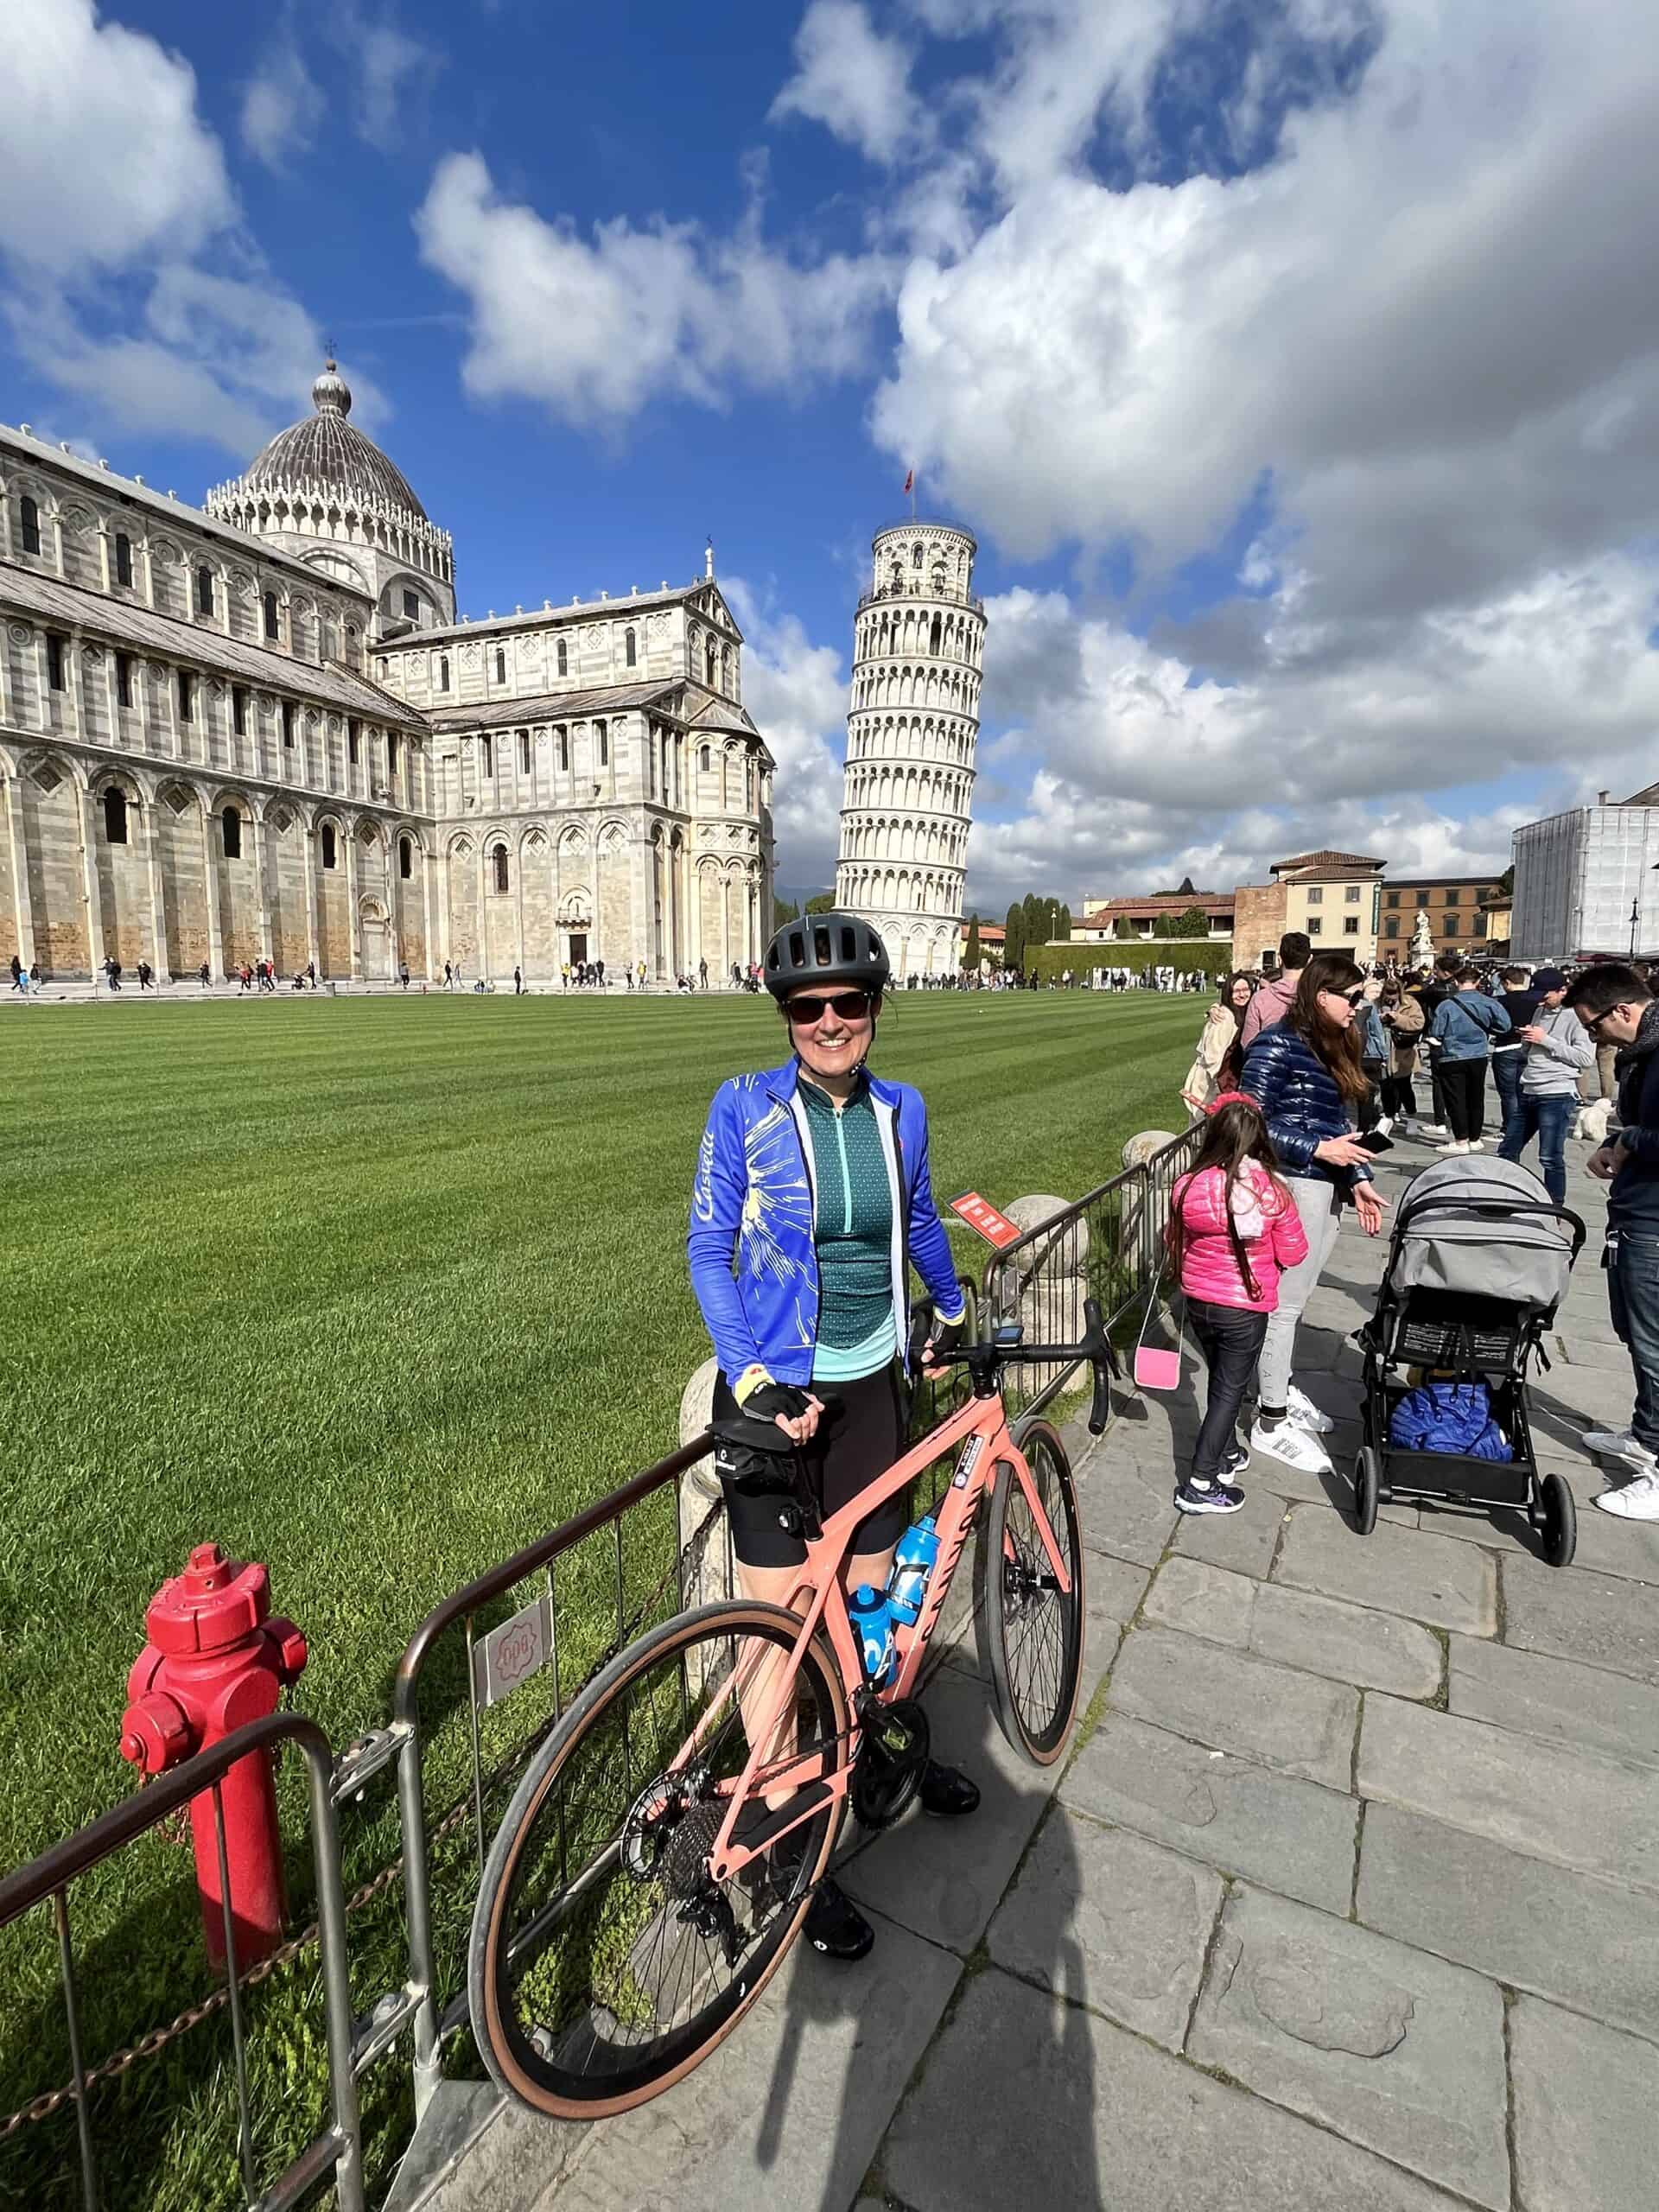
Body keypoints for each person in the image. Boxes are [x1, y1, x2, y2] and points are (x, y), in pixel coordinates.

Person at [688, 911, 977, 1961]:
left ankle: (874, 1759)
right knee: (779, 1635)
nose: (827, 1022)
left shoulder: (901, 1109)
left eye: (847, 1003)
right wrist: (753, 1376)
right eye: (806, 1008)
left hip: (871, 1396)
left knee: (866, 1610)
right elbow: (709, 1246)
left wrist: (948, 1310)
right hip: (778, 1399)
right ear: (785, 1017)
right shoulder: (746, 1107)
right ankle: (789, 1861)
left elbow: (920, 1217)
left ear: (875, 1008)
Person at [1241, 951, 1389, 1475]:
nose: (1357, 1008)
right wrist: (1319, 1151)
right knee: (1282, 1305)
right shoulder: (1277, 1042)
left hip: (1321, 1183)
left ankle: (1277, 1388)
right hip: (1296, 1183)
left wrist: (1357, 1176)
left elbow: (1334, 1126)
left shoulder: (1327, 1046)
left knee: (1295, 1303)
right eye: (1351, 998)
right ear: (1320, 995)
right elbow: (1247, 1118)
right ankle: (1270, 1419)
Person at [1167, 1091, 1308, 1516]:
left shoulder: (1187, 1184)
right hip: (1245, 1304)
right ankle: (1201, 1480)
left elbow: (1173, 1239)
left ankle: (1227, 1452)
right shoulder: (1271, 1192)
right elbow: (1295, 1252)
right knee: (1230, 1389)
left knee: (1221, 1378)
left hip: (1199, 1299)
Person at [1564, 963, 1659, 1517]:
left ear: (1623, 1011)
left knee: (1654, 1345)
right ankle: (1647, 1434)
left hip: (1654, 1221)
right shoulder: (1644, 1053)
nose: (1594, 1037)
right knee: (1635, 1334)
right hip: (1637, 1211)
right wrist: (1621, 1141)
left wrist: (1632, 1141)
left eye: (1594, 1026)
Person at [1496, 969, 1590, 1204]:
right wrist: (1527, 1041)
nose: (1540, 1001)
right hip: (1529, 1089)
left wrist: (1545, 1040)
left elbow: (1585, 1058)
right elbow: (1534, 1049)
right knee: (1507, 1151)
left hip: (1557, 1093)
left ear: (1563, 990)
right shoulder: (1539, 1010)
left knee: (1549, 1156)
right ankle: (1505, 1196)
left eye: (1546, 996)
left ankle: (1555, 1204)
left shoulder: (1577, 1016)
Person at [1427, 968, 1510, 1154]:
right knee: (1476, 1097)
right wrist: (1488, 1030)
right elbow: (1505, 1026)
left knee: (1456, 1099)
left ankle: (1461, 1140)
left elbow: (1436, 1032)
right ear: (1478, 981)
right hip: (1479, 1055)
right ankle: (1475, 1138)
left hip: (1453, 1056)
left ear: (1456, 982)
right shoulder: (1489, 1003)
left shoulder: (1446, 1005)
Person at [1179, 973, 1253, 1117]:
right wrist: (1223, 1092)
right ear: (1228, 993)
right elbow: (1213, 1059)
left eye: (1246, 989)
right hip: (1211, 1086)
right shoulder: (1224, 1017)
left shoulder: (1241, 1012)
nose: (1242, 994)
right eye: (1237, 991)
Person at [1491, 966, 1538, 1153]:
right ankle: (1524, 1130)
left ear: (1507, 983)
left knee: (1508, 1094)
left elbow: (1495, 1025)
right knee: (1523, 1093)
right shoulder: (1536, 1001)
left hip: (1506, 1047)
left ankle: (1509, 1130)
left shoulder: (1500, 1001)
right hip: (1528, 1047)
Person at [1240, 933, 1309, 1049]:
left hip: (1269, 1062)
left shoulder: (1260, 999)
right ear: (1310, 960)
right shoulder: (1318, 997)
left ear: (1279, 959)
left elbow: (1248, 1044)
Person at [1378, 980, 1424, 1121]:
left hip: (1402, 1051)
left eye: (1394, 994)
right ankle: (1389, 1116)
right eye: (1388, 994)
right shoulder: (1376, 1003)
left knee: (1404, 1087)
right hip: (1383, 1050)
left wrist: (1398, 1018)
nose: (1391, 998)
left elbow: (1418, 1023)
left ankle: (1411, 1116)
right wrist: (1379, 1018)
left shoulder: (1410, 1003)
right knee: (1385, 1087)